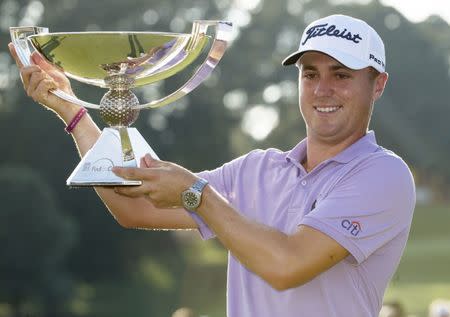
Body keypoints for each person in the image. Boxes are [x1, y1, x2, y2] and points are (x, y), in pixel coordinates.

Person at [9, 14, 415, 317]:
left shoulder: (383, 175)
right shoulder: (256, 169)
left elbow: (287, 265)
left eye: (341, 75)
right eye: (310, 74)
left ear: (377, 84)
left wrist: (198, 196)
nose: (322, 89)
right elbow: (135, 206)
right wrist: (72, 111)